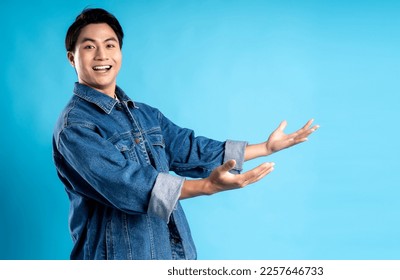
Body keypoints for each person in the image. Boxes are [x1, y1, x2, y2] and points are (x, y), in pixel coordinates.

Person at [52, 8, 319, 260]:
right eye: (89, 46)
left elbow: (190, 149)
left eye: (110, 45)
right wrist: (206, 186)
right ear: (71, 57)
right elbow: (127, 185)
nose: (102, 55)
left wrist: (266, 148)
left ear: (120, 52)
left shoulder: (145, 114)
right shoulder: (75, 127)